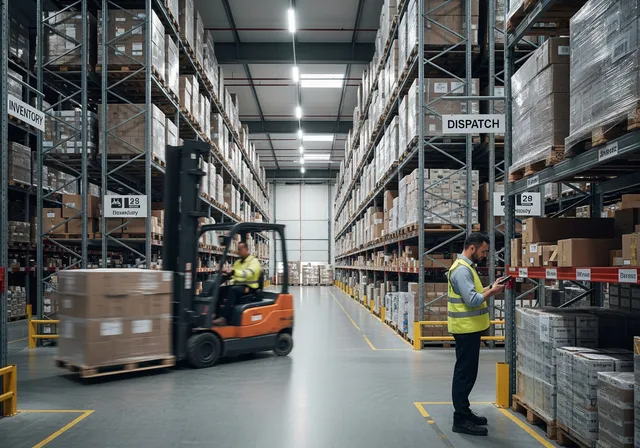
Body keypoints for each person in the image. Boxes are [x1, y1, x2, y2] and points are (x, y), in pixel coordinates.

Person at [448, 232, 506, 436]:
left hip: (469, 328)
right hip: (466, 329)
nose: (484, 255)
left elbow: (474, 292)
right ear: (471, 248)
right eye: (483, 251)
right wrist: (492, 292)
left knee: (468, 373)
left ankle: (464, 411)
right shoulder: (462, 271)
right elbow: (472, 300)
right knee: (464, 375)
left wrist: (491, 286)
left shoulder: (465, 268)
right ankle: (460, 419)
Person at [213, 242, 262, 326]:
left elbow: (247, 274)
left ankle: (224, 318)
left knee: (233, 290)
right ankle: (216, 314)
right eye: (237, 249)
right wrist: (226, 275)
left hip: (249, 288)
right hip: (238, 286)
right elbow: (233, 274)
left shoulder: (254, 261)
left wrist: (233, 271)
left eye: (240, 249)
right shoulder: (238, 262)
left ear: (246, 249)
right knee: (220, 290)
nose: (238, 251)